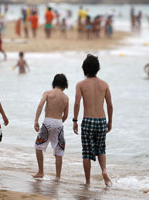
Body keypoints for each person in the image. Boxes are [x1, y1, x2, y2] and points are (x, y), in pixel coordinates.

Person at [73, 54, 113, 187]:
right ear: (97, 68)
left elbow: (77, 104)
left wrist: (74, 120)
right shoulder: (104, 84)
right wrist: (110, 122)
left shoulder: (80, 84)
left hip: (88, 121)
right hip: (101, 120)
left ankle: (88, 182)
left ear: (84, 68)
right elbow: (110, 105)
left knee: (86, 152)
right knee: (101, 149)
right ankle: (104, 171)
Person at [33, 74, 69, 180]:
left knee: (38, 146)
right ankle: (58, 176)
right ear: (64, 84)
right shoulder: (66, 97)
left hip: (48, 121)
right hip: (59, 123)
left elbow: (40, 105)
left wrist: (36, 120)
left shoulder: (48, 93)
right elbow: (65, 115)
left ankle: (40, 172)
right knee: (59, 151)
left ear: (54, 82)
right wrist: (58, 123)